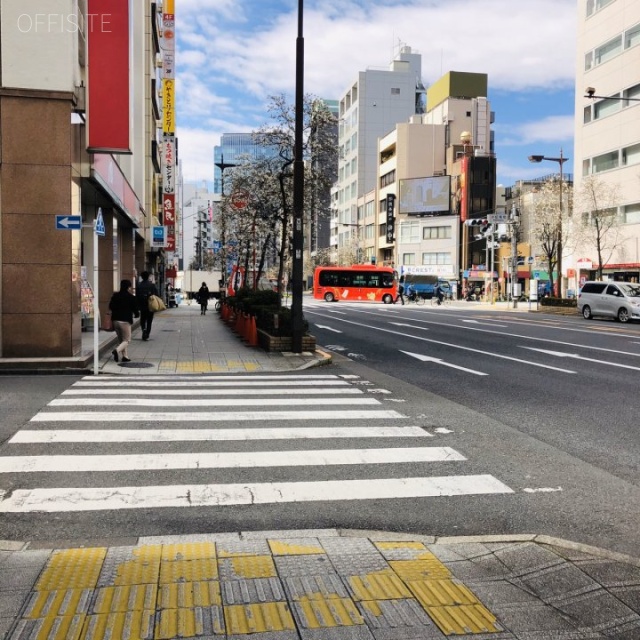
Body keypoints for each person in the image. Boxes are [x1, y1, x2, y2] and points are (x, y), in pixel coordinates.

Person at [109, 279, 140, 363]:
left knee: (121, 340)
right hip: (125, 321)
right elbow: (135, 310)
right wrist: (136, 314)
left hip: (115, 320)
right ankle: (116, 350)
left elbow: (110, 306)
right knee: (127, 340)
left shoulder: (115, 296)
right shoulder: (131, 297)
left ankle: (125, 356)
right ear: (128, 287)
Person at [136, 271, 159, 340]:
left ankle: (144, 329)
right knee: (149, 320)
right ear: (148, 276)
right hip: (150, 306)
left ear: (142, 277)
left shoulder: (139, 285)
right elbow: (156, 295)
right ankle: (147, 334)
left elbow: (137, 296)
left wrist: (137, 306)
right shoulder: (152, 285)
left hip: (142, 306)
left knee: (142, 319)